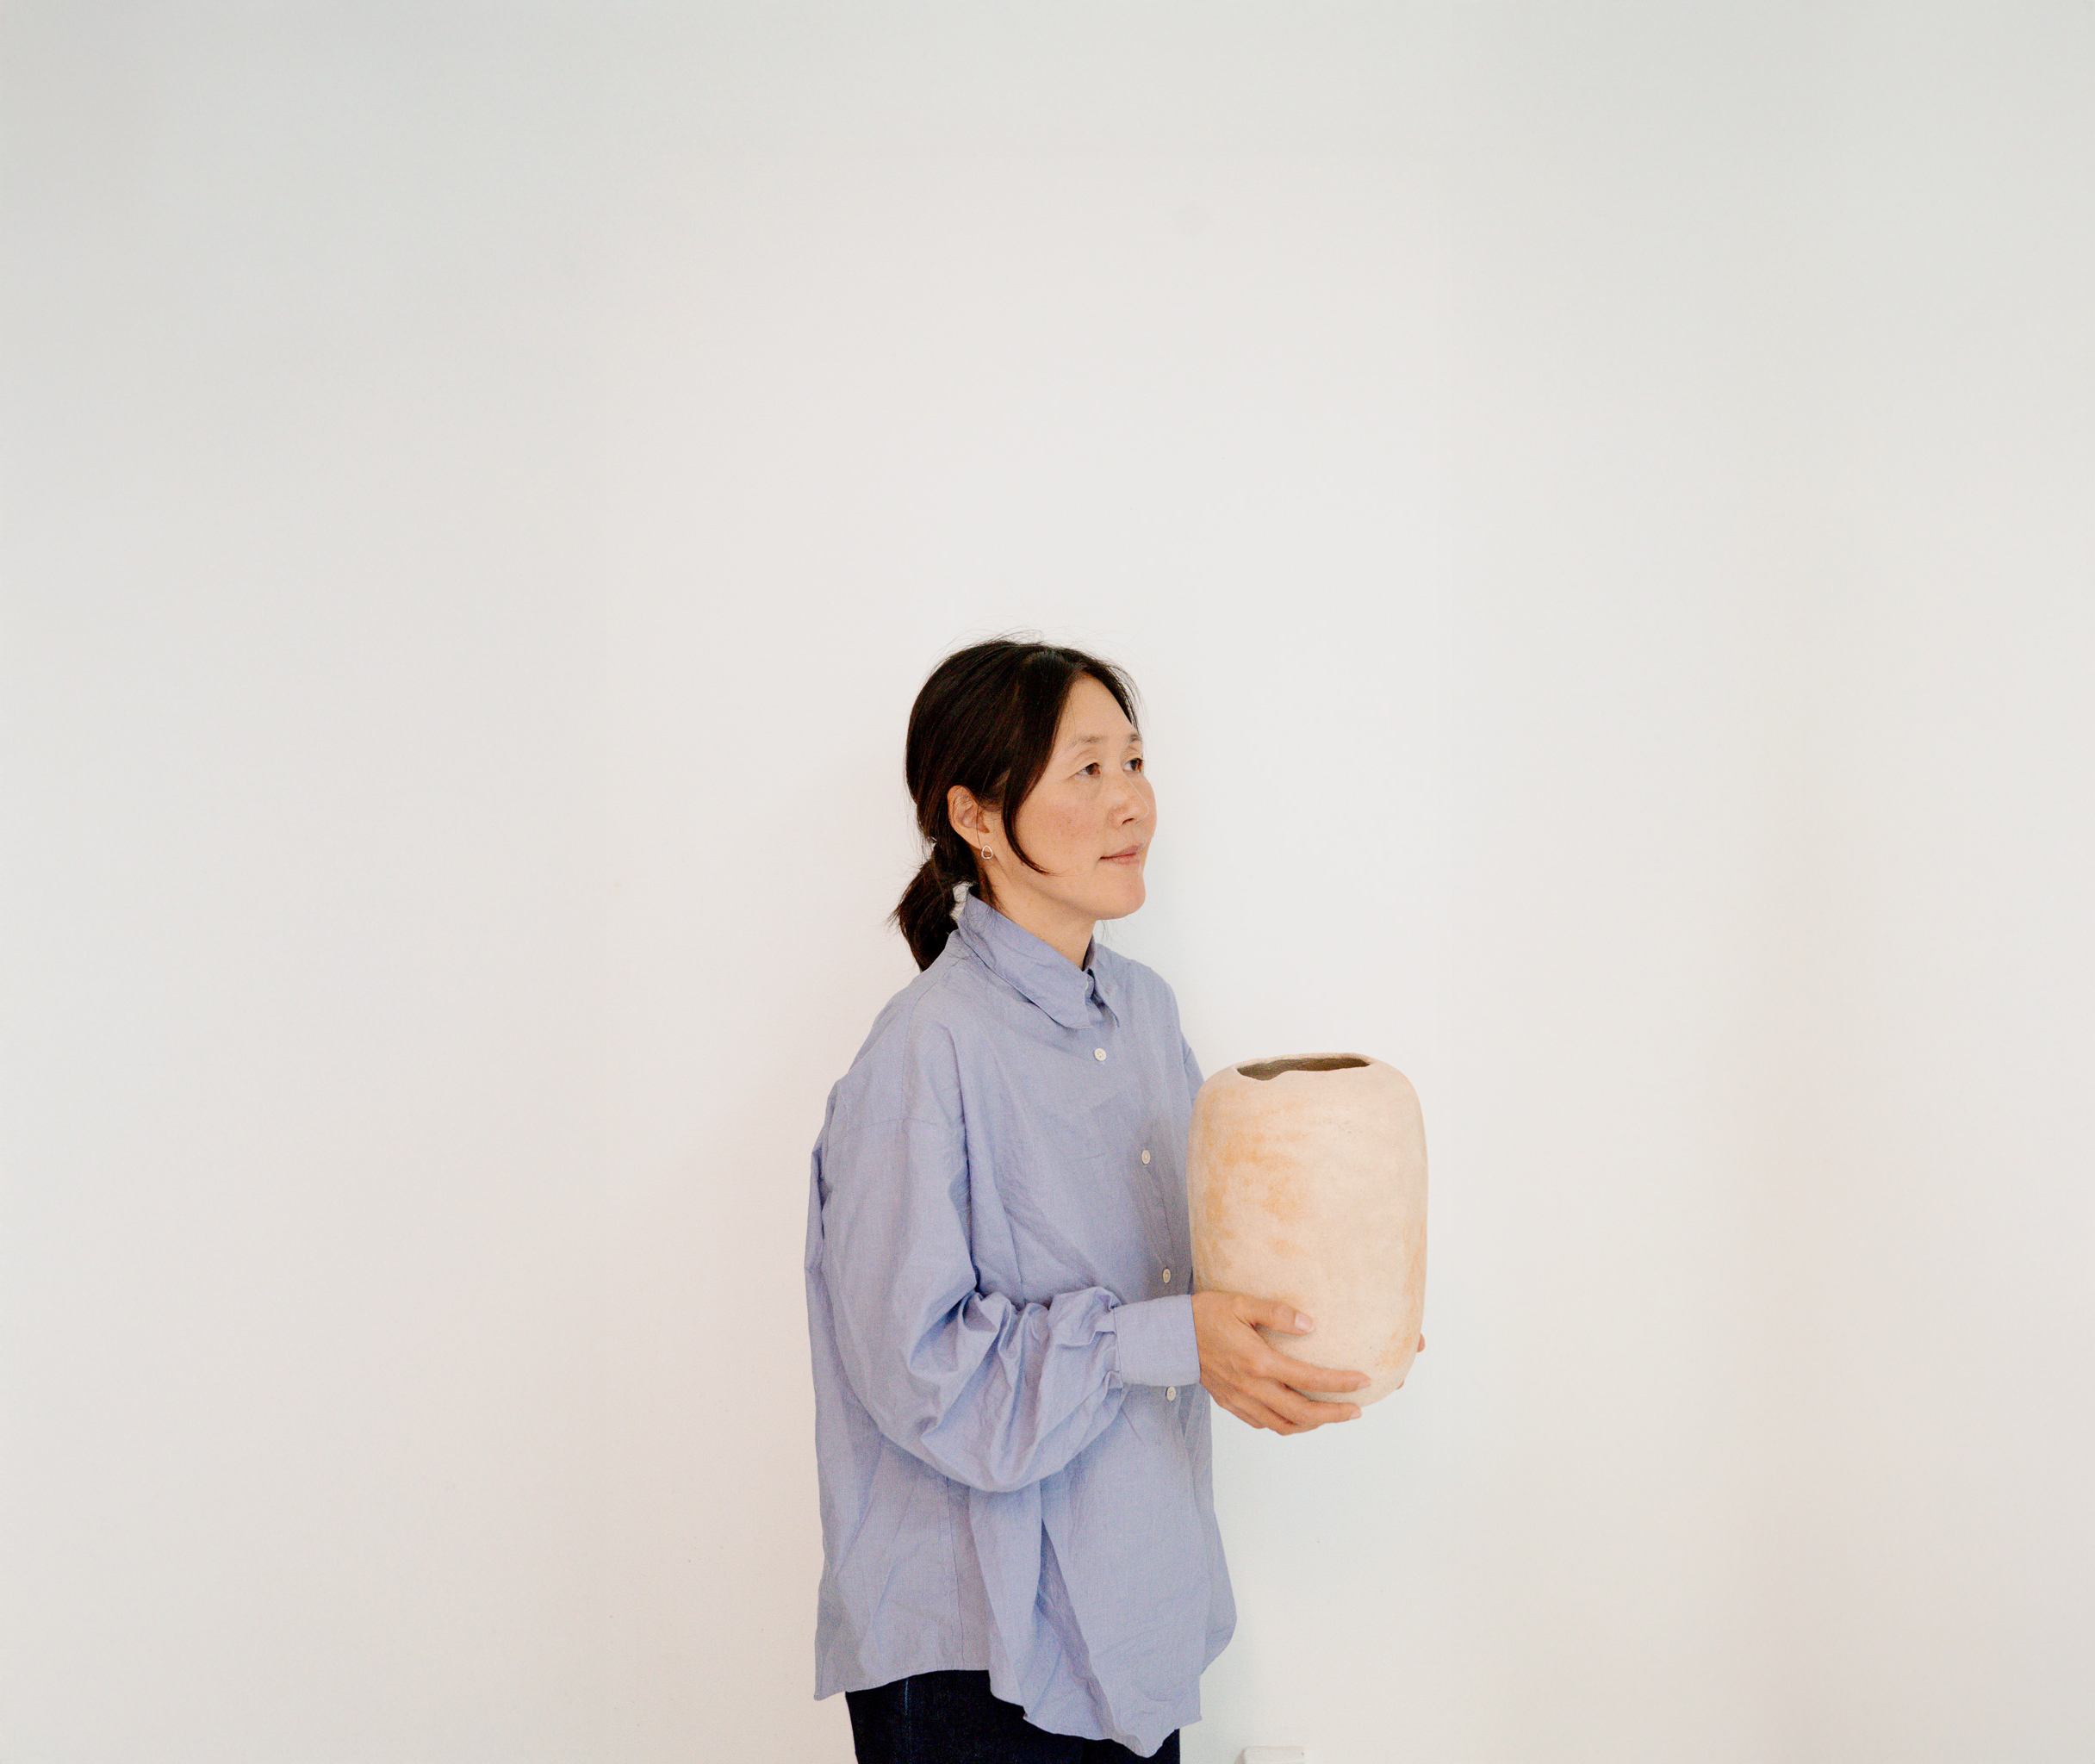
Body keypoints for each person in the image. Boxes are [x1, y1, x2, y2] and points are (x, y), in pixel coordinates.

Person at [803, 637, 1379, 1762]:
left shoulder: (1147, 1017)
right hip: (979, 1658)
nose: (1131, 803)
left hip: (1130, 1617)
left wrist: (1320, 1322)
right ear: (974, 815)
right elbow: (920, 1373)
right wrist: (1170, 1340)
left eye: (1135, 761)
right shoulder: (924, 1054)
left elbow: (1197, 1269)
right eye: (1087, 770)